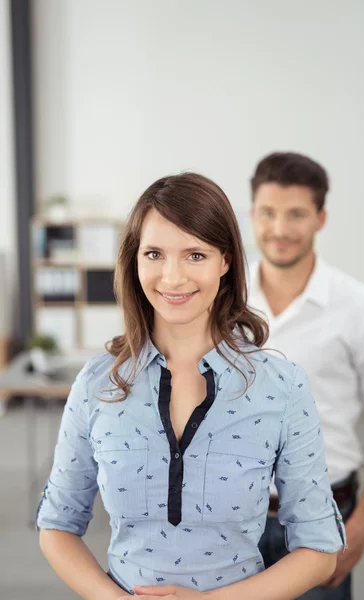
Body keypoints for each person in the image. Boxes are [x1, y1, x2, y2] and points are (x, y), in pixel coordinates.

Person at [37, 172, 345, 600]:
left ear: (226, 261)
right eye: (155, 253)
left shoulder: (283, 386)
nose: (173, 276)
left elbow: (319, 548)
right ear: (135, 261)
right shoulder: (97, 383)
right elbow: (56, 524)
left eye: (195, 255)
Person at [248, 152, 364, 600]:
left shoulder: (363, 310)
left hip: (321, 519)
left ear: (321, 218)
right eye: (268, 213)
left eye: (296, 214)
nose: (279, 229)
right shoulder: (220, 299)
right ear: (252, 214)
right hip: (225, 520)